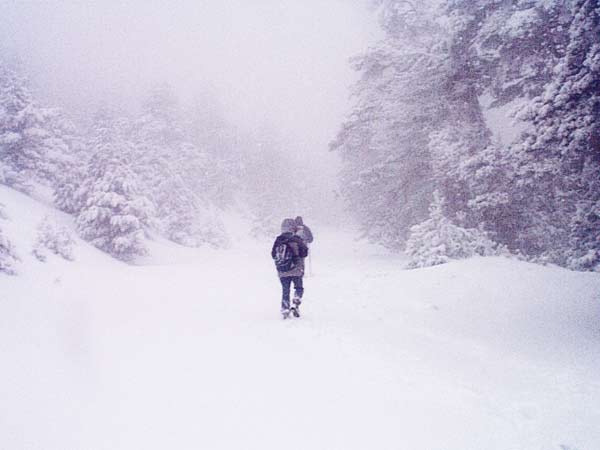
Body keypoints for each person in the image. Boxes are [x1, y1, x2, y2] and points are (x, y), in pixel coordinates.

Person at [271, 218, 308, 319]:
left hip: (282, 270)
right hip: (296, 269)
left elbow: (273, 254)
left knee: (285, 290)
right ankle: (296, 301)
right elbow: (304, 253)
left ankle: (285, 309)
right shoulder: (296, 239)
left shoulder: (278, 239)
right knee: (298, 287)